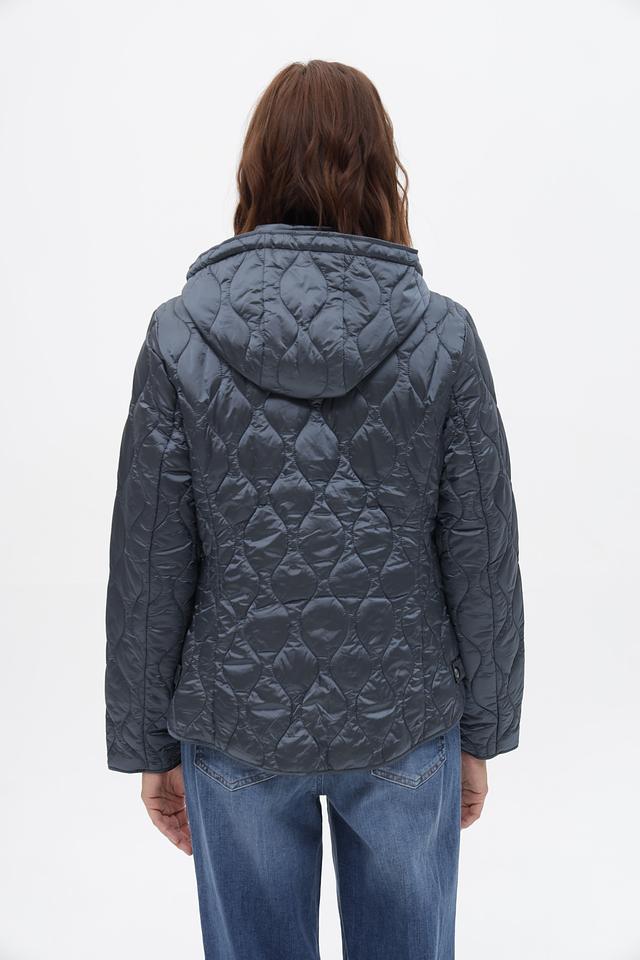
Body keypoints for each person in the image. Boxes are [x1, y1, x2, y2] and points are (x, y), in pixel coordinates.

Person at [105, 59, 524, 960]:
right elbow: (481, 554)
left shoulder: (179, 335)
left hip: (234, 721)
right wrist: (483, 732)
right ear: (381, 173)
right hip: (406, 716)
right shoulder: (445, 335)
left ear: (256, 170)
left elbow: (149, 563)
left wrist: (148, 747)